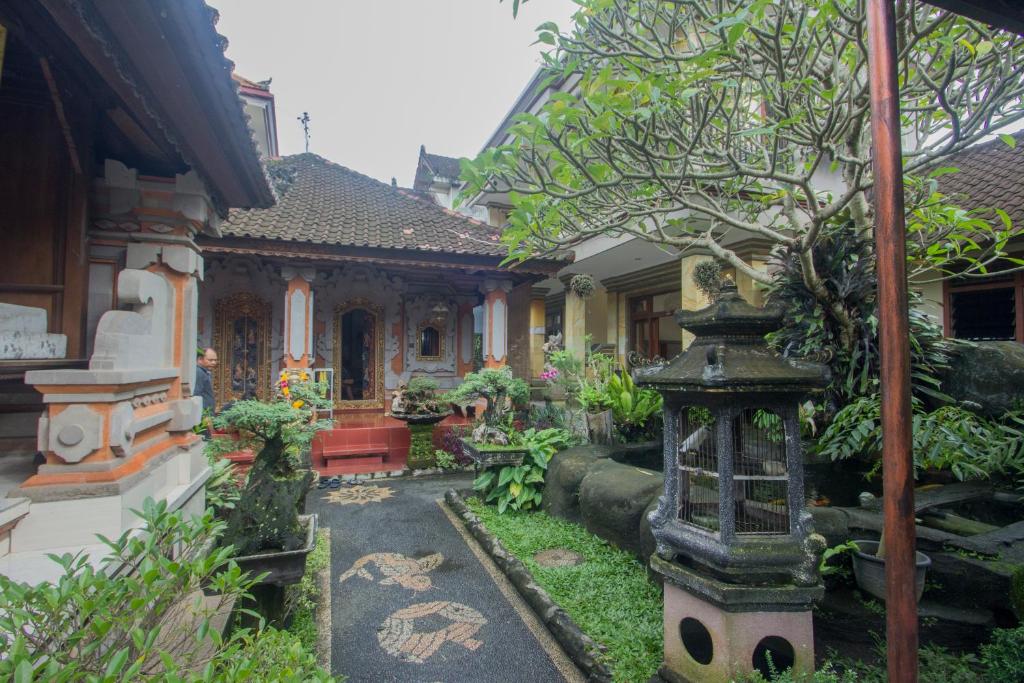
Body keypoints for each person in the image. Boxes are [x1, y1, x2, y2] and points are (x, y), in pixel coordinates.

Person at [195, 348, 217, 432]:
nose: (214, 363)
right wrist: (206, 417)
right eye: (210, 360)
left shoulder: (204, 372)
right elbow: (197, 395)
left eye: (215, 360)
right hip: (202, 418)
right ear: (200, 359)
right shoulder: (199, 373)